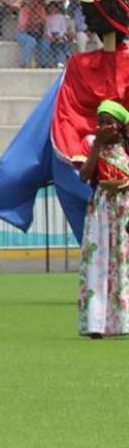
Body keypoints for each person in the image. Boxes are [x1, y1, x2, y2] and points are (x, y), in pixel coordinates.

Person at [77, 100, 129, 338]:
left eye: (109, 123)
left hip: (125, 209)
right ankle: (95, 322)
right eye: (101, 122)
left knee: (122, 264)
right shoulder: (91, 144)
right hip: (101, 211)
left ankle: (122, 322)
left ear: (119, 126)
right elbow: (84, 176)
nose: (104, 127)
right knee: (98, 263)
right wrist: (97, 145)